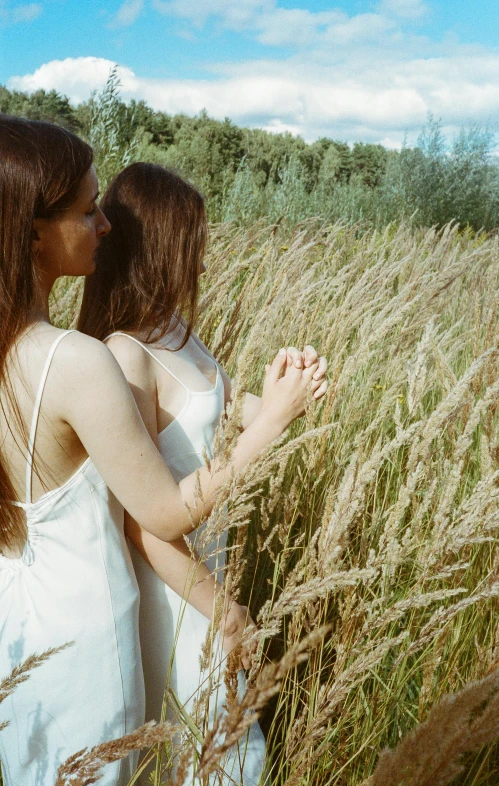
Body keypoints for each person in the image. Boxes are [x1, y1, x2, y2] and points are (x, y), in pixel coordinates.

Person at [0, 119, 322, 786]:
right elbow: (162, 515)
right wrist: (271, 423)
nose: (105, 224)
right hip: (89, 621)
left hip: (20, 617)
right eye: (88, 210)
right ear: (32, 231)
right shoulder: (80, 360)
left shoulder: (20, 353)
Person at [78, 162, 328, 784]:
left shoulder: (176, 332)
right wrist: (224, 611)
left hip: (212, 567)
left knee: (226, 753)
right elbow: (144, 522)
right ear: (159, 247)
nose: (204, 261)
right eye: (194, 244)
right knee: (208, 753)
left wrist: (284, 393)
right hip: (179, 592)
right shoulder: (124, 354)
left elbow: (216, 418)